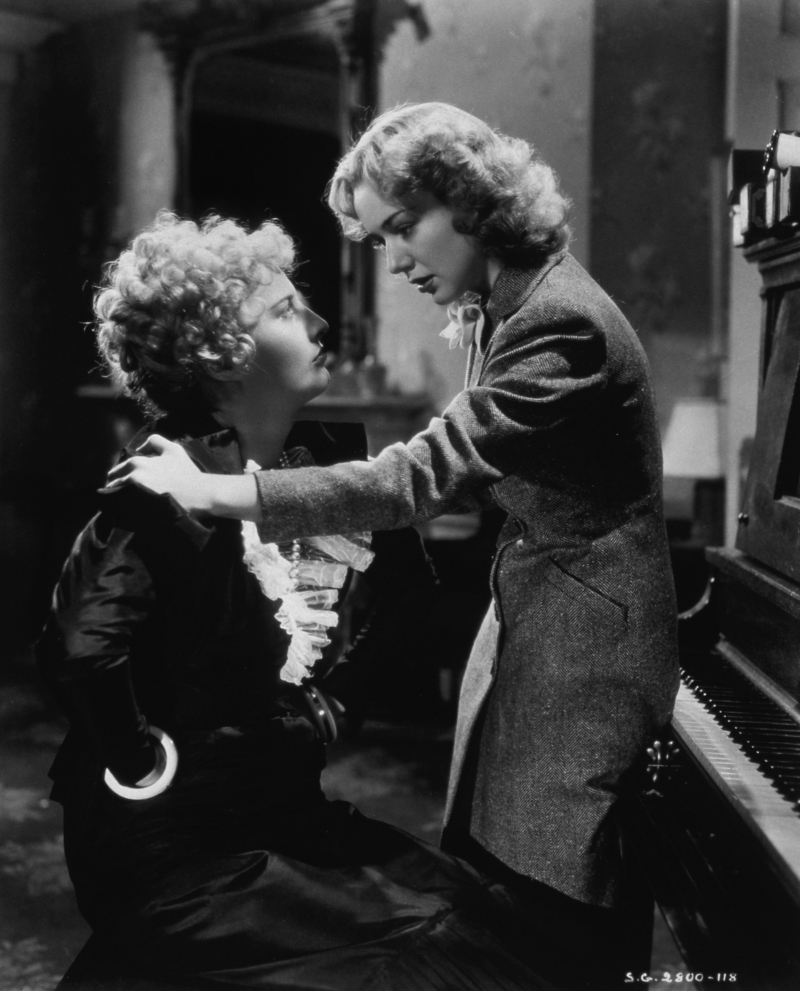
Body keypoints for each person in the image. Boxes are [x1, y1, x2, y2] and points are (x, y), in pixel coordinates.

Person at [106, 103, 680, 988]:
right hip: (542, 613)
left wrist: (218, 490)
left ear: (476, 200)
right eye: (379, 240)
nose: (398, 258)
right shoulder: (510, 301)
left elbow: (422, 476)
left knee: (565, 900)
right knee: (506, 886)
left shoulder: (561, 321)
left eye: (405, 226)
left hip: (588, 648)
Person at [37, 211, 557, 991]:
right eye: (285, 310)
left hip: (279, 811)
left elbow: (410, 593)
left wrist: (338, 700)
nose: (316, 323)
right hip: (174, 853)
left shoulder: (319, 462)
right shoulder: (162, 479)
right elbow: (79, 648)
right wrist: (141, 760)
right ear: (222, 355)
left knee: (478, 913)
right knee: (438, 959)